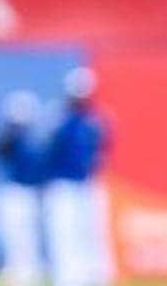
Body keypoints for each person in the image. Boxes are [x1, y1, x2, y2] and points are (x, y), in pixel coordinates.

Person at [43, 67, 114, 286]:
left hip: (88, 183)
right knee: (64, 233)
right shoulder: (59, 119)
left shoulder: (96, 120)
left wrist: (97, 164)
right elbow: (48, 152)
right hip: (64, 184)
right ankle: (68, 278)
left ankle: (94, 277)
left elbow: (104, 150)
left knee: (92, 232)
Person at [0, 90, 46, 286]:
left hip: (30, 193)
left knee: (29, 238)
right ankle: (15, 272)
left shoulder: (37, 140)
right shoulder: (10, 137)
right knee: (10, 236)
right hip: (12, 191)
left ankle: (28, 274)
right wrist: (10, 127)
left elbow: (42, 169)